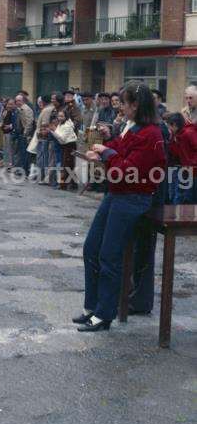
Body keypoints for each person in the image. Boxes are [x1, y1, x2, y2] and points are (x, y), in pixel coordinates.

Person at [73, 82, 166, 332]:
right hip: (117, 194)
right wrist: (107, 147)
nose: (121, 108)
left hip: (132, 197)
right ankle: (92, 307)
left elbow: (127, 169)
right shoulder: (132, 127)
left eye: (123, 103)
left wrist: (104, 153)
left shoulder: (151, 134)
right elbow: (121, 155)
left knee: (109, 255)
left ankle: (104, 314)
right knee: (91, 248)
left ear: (135, 105)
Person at [167, 113, 197, 204]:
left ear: (175, 125)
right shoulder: (177, 135)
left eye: (170, 127)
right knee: (182, 194)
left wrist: (192, 163)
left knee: (189, 196)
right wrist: (172, 139)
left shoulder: (188, 133)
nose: (169, 129)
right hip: (186, 169)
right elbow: (175, 152)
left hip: (193, 170)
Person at [49, 109, 78, 190]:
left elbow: (62, 139)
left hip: (69, 145)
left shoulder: (67, 126)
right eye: (59, 116)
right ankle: (72, 184)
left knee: (66, 165)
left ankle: (64, 185)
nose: (60, 118)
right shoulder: (60, 124)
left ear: (66, 117)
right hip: (64, 145)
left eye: (62, 116)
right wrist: (54, 131)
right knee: (67, 165)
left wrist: (53, 131)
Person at [0, 98, 16, 169]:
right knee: (5, 148)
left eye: (11, 104)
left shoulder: (15, 112)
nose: (9, 106)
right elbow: (2, 120)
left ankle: (10, 164)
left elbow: (16, 122)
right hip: (4, 132)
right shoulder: (5, 111)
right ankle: (6, 162)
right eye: (8, 104)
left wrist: (10, 126)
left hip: (11, 133)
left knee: (10, 149)